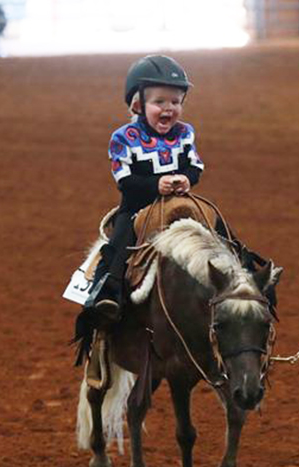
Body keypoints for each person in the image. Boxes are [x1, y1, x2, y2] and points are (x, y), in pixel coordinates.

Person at [85, 54, 204, 321]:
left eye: (175, 101)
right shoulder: (123, 138)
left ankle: (243, 276)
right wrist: (155, 185)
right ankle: (105, 293)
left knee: (219, 232)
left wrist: (187, 179)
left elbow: (195, 166)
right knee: (119, 244)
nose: (168, 108)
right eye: (159, 101)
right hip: (137, 208)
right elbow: (125, 181)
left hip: (179, 205)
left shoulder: (185, 133)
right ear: (138, 105)